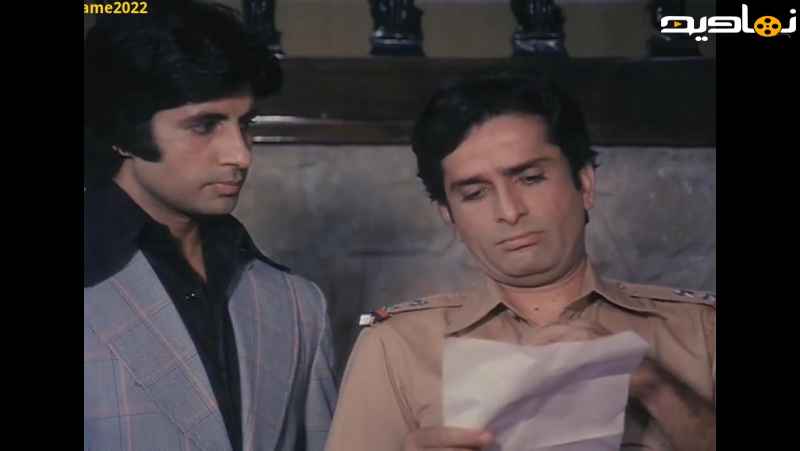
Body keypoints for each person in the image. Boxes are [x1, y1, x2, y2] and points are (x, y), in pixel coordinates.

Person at [324, 73, 715, 451]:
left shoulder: (700, 329)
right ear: (449, 216)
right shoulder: (396, 345)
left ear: (585, 184)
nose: (510, 212)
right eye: (475, 193)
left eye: (530, 179)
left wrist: (656, 386)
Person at [83, 2, 336, 450]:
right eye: (205, 126)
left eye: (245, 123)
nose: (240, 155)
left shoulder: (299, 305)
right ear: (122, 132)